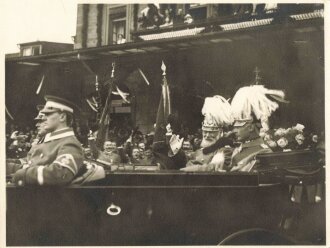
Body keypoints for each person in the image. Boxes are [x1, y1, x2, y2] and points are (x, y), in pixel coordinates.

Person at [12, 95, 84, 186]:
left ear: (62, 117)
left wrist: (24, 174)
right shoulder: (52, 141)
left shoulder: (69, 142)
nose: (43, 118)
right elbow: (30, 164)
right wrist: (11, 167)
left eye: (48, 114)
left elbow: (60, 173)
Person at [167, 95, 235, 172]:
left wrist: (186, 170)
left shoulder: (225, 150)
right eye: (205, 132)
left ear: (221, 132)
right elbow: (186, 160)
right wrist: (176, 151)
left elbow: (211, 169)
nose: (207, 135)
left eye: (212, 132)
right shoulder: (203, 149)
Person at [229, 85, 287, 172]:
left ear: (251, 127)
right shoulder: (239, 148)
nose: (234, 131)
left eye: (238, 127)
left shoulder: (263, 152)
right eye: (235, 127)